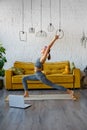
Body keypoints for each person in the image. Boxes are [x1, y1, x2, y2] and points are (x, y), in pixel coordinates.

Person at [22, 35, 76, 100]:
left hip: (40, 76)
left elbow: (49, 47)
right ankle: (26, 93)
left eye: (43, 49)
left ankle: (70, 91)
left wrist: (54, 39)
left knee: (53, 85)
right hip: (37, 75)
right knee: (24, 78)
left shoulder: (43, 58)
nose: (42, 49)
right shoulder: (41, 57)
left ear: (46, 51)